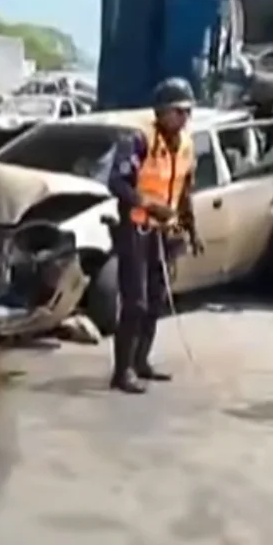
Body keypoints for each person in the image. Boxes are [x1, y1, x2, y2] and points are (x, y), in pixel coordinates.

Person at [105, 77, 204, 394]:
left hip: (165, 231)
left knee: (156, 301)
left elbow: (185, 189)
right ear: (161, 112)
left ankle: (141, 360)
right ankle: (122, 372)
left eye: (187, 112)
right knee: (135, 301)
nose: (184, 118)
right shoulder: (138, 140)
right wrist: (149, 205)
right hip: (136, 227)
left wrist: (192, 228)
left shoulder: (187, 145)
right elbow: (118, 184)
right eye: (178, 111)